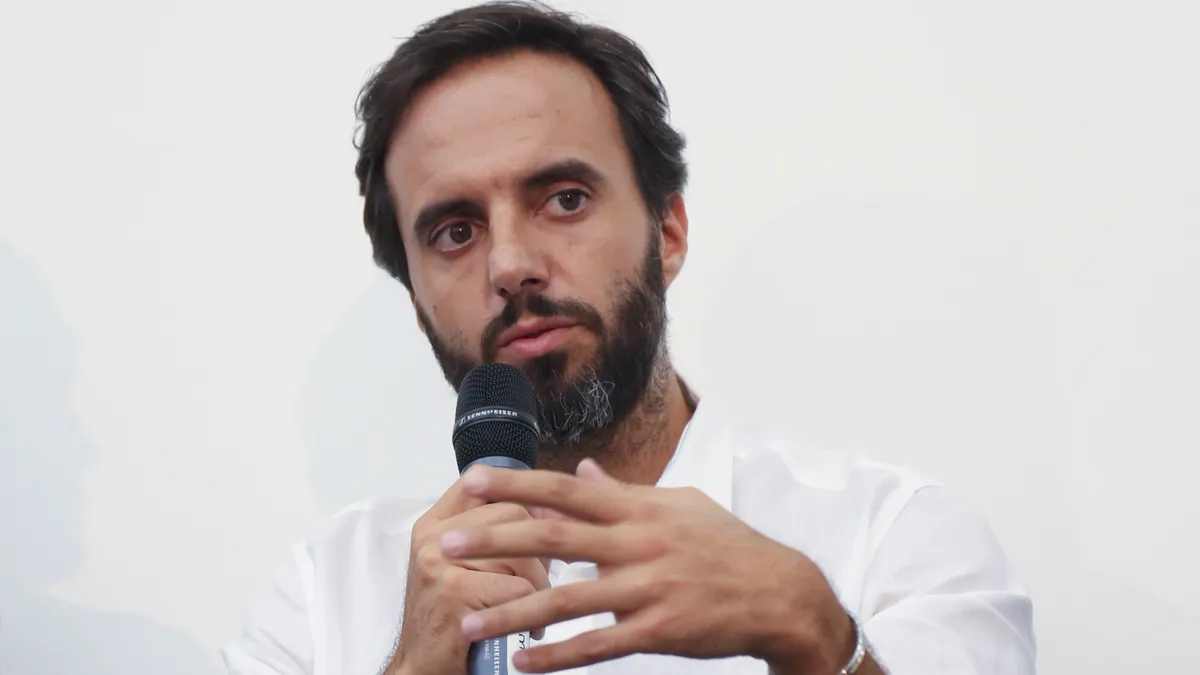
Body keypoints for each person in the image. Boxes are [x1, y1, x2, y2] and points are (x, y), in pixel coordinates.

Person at [222, 2, 1036, 673]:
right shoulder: (324, 591)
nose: (510, 265)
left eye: (564, 198)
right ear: (414, 299)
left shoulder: (890, 536)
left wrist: (823, 638)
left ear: (669, 229)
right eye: (455, 231)